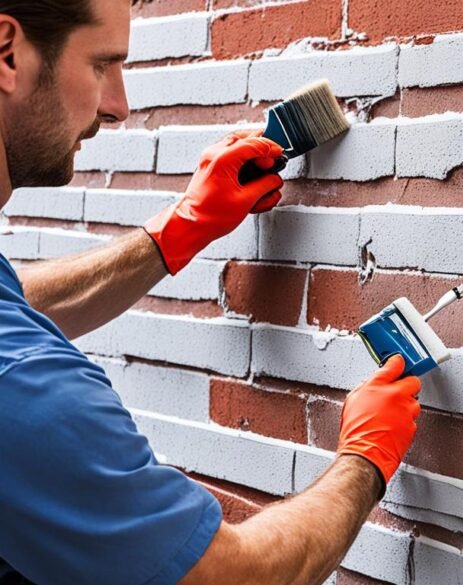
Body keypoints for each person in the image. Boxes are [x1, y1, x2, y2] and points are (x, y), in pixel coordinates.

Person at [0, 0, 422, 583]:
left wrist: (178, 230)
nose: (118, 106)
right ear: (6, 51)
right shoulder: (19, 382)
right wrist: (364, 462)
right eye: (101, 65)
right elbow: (223, 576)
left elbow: (15, 304)